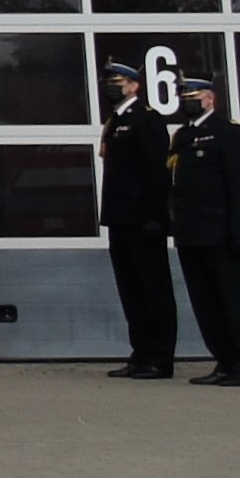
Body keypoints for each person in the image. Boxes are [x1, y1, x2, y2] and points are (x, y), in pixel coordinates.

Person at [168, 60, 240, 389]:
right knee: (205, 304)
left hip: (222, 235)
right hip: (191, 234)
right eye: (184, 97)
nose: (186, 102)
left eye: (192, 96)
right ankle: (224, 361)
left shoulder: (229, 134)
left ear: (209, 98)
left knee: (232, 302)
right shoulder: (183, 136)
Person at [98, 54, 188, 380]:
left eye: (118, 83)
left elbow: (156, 172)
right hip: (120, 218)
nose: (111, 88)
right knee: (131, 290)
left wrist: (154, 216)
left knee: (154, 289)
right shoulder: (115, 121)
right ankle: (140, 353)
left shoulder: (146, 120)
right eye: (109, 83)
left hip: (143, 220)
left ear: (134, 86)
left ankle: (160, 358)